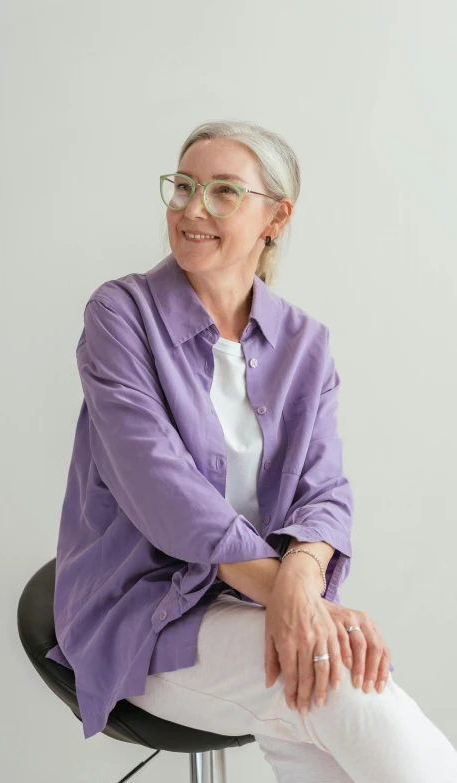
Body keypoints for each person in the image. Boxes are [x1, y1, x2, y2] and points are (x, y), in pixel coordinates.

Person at [47, 120, 457, 780]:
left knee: (315, 709)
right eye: (182, 187)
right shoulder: (121, 316)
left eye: (222, 191)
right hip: (143, 608)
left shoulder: (306, 344)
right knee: (335, 679)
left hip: (252, 602)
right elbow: (161, 488)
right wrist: (298, 600)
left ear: (276, 216)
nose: (192, 208)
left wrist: (301, 576)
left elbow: (325, 492)